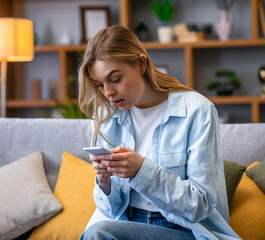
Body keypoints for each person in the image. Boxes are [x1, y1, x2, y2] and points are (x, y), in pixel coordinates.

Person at [77, 25, 240, 240]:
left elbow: (200, 206)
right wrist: (104, 181)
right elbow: (109, 211)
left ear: (141, 64)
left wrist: (142, 171)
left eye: (115, 79)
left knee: (99, 234)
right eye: (99, 84)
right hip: (125, 224)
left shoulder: (197, 111)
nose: (108, 92)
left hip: (183, 230)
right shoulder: (105, 117)